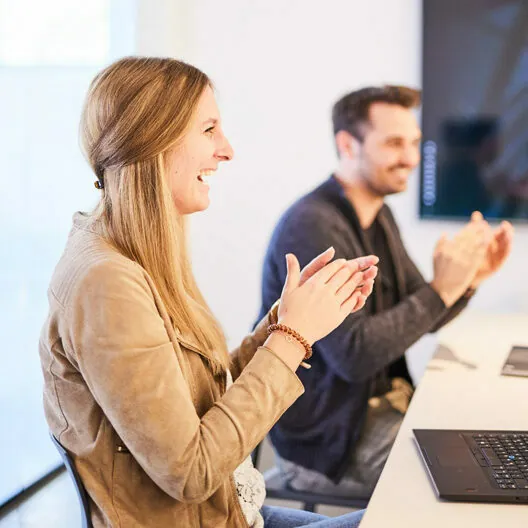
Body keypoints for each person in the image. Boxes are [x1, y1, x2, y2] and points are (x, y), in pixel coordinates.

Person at [38, 57, 379, 528]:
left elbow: (200, 402)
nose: (227, 150)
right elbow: (190, 472)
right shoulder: (106, 283)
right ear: (154, 137)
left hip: (230, 512)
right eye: (209, 129)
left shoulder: (135, 255)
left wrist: (285, 324)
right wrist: (292, 339)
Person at [256, 85, 514, 498]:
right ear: (347, 144)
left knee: (489, 439)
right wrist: (442, 289)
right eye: (395, 143)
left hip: (378, 411)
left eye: (414, 143)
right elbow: (354, 357)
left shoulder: (380, 215)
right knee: (470, 482)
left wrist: (467, 281)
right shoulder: (313, 224)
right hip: (327, 443)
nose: (411, 158)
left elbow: (423, 313)